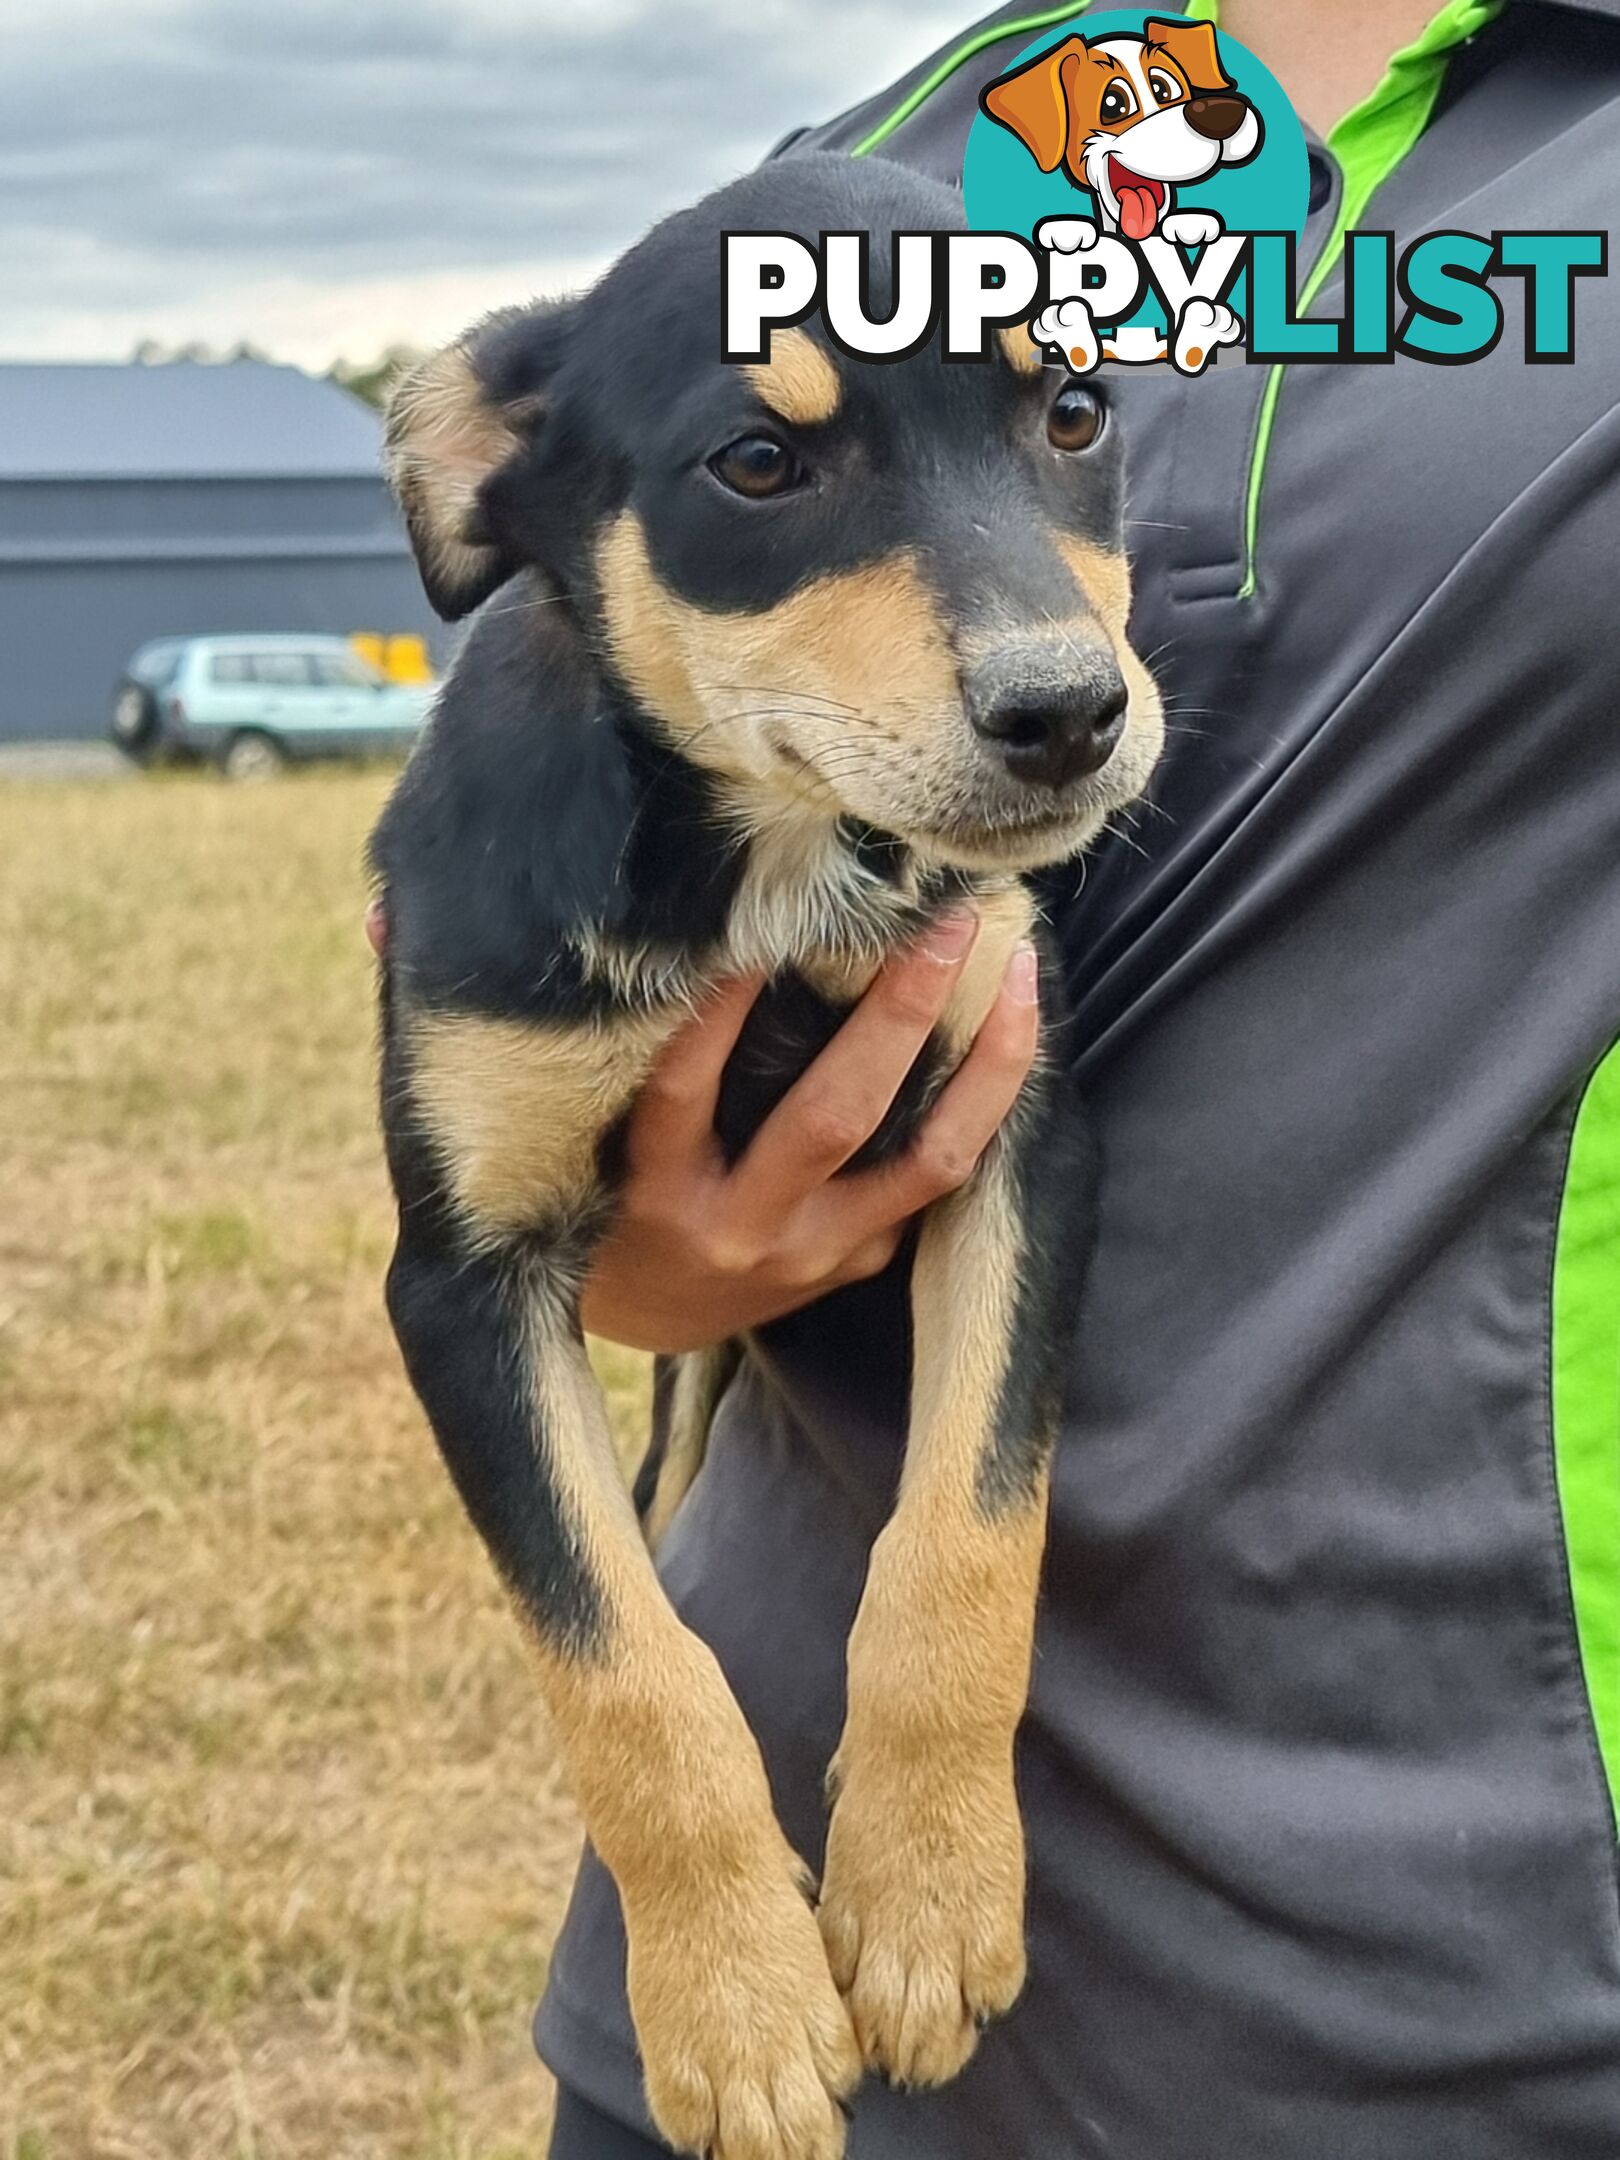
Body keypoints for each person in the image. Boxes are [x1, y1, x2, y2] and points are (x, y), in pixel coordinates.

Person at [380, 2, 1620, 2152]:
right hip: (782, 1913)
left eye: (1068, 413)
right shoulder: (892, 142)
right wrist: (632, 1255)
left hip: (1493, 1874)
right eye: (775, 462)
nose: (1033, 640)